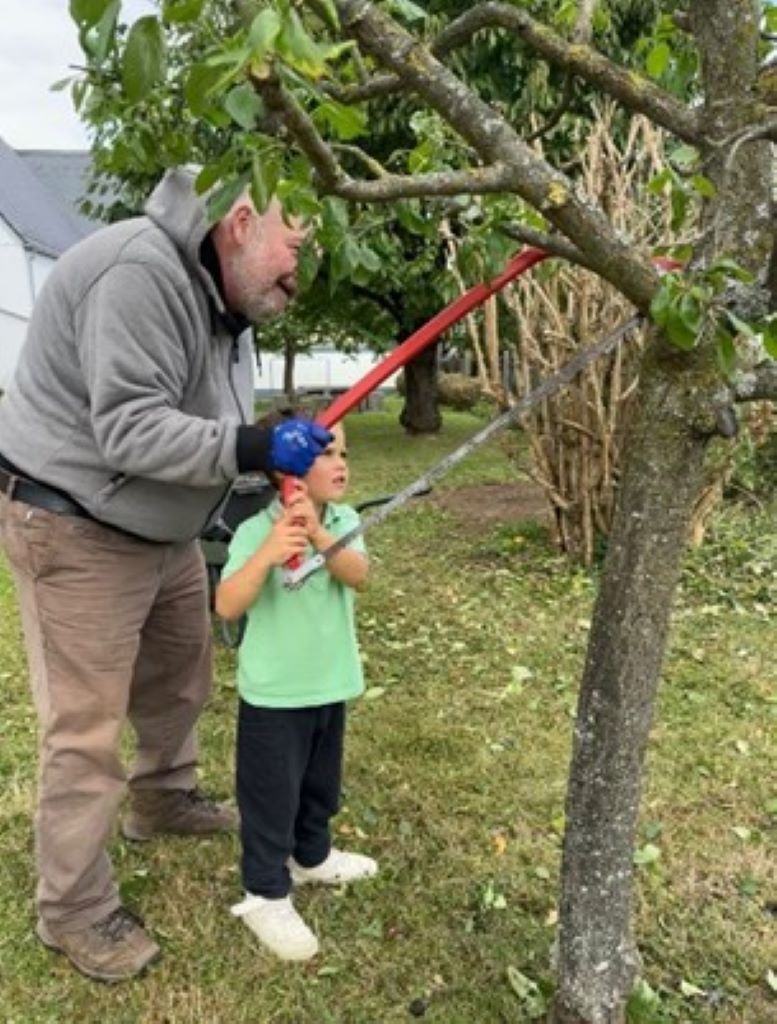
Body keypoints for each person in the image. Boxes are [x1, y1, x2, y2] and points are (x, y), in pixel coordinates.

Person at [0, 167, 333, 982]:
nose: (305, 266)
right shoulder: (139, 274)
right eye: (296, 244)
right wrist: (250, 448)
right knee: (85, 728)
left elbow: (204, 415)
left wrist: (258, 437)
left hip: (160, 526)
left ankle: (162, 798)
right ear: (243, 220)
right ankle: (72, 907)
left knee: (183, 677)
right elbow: (130, 429)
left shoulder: (231, 301)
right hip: (74, 519)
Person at [215, 414, 377, 961]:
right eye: (327, 454)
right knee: (270, 796)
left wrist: (320, 535)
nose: (341, 466)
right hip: (273, 696)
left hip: (328, 683)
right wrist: (270, 551)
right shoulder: (256, 531)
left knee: (319, 784)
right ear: (287, 470)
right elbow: (228, 605)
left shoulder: (344, 518)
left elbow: (357, 574)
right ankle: (265, 891)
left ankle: (311, 855)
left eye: (345, 456)